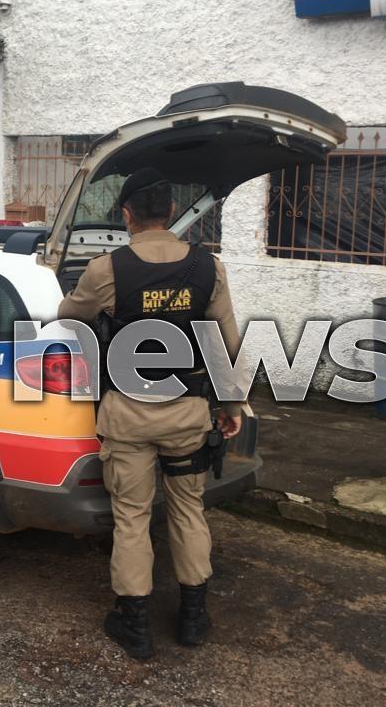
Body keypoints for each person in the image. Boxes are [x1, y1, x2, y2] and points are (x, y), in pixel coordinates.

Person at [58, 167, 243, 660]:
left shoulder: (106, 270)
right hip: (188, 414)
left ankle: (134, 626)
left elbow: (67, 316)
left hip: (130, 417)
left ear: (127, 215)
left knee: (132, 518)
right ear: (170, 213)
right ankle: (193, 618)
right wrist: (231, 406)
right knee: (188, 510)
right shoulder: (210, 269)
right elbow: (225, 343)